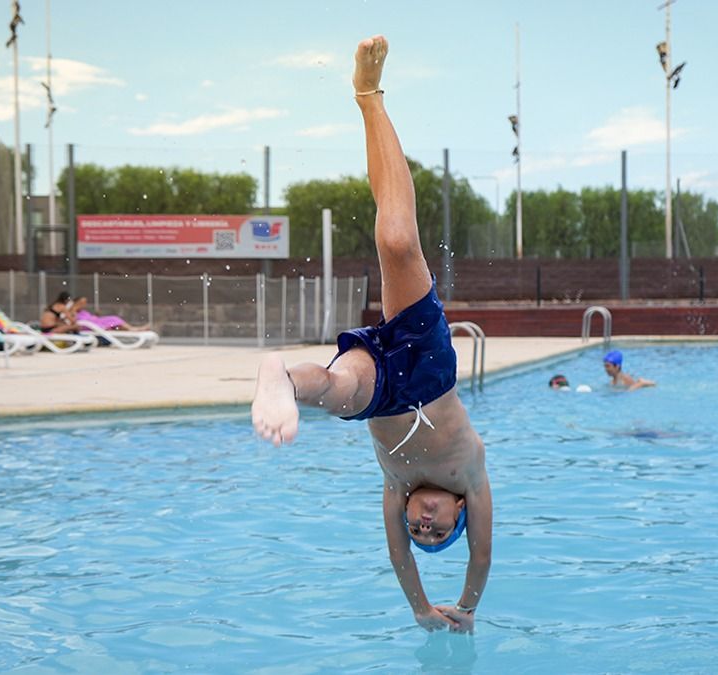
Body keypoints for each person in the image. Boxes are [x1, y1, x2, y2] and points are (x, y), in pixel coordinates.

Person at [252, 35, 491, 635]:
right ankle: (369, 97)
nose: (423, 525)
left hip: (383, 390)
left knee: (337, 389)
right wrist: (463, 607)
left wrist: (417, 608)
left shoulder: (396, 487)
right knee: (397, 239)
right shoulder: (471, 478)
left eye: (420, 529)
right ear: (460, 512)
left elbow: (397, 556)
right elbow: (483, 555)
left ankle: (279, 374)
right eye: (438, 528)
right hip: (429, 366)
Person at [68, 296, 152, 332]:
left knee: (115, 320)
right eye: (82, 302)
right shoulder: (72, 311)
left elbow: (90, 318)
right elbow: (74, 320)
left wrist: (96, 315)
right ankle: (134, 329)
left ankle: (133, 329)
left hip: (96, 323)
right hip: (90, 326)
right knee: (114, 320)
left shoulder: (83, 311)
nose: (84, 304)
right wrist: (74, 309)